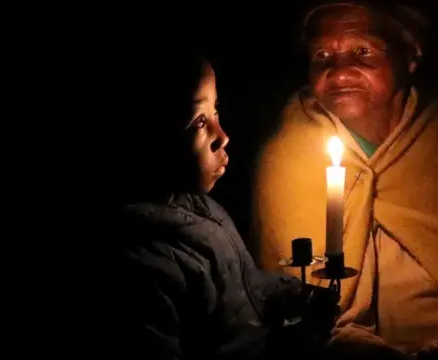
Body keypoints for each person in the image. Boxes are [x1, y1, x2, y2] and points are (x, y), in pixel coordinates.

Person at [253, 0, 438, 356]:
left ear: (410, 55)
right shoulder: (290, 156)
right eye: (322, 56)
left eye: (363, 51)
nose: (339, 73)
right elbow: (298, 307)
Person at [110, 44, 338, 360]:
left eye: (215, 111)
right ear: (146, 137)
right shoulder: (144, 267)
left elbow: (243, 286)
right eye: (199, 121)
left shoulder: (203, 211)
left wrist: (293, 294)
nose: (223, 135)